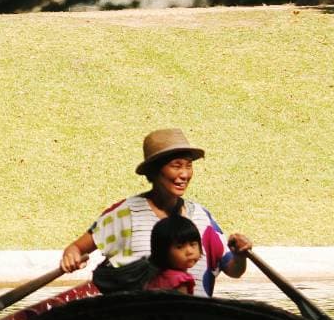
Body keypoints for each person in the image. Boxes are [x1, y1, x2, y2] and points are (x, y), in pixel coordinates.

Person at [60, 127, 251, 298]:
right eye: (176, 166)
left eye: (188, 165)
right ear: (154, 171)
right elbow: (77, 248)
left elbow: (234, 270)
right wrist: (71, 255)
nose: (184, 174)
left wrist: (241, 255)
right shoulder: (125, 214)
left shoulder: (202, 217)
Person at [145, 214, 204, 294]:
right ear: (163, 251)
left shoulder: (154, 276)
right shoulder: (179, 280)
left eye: (193, 244)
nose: (189, 251)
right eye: (180, 247)